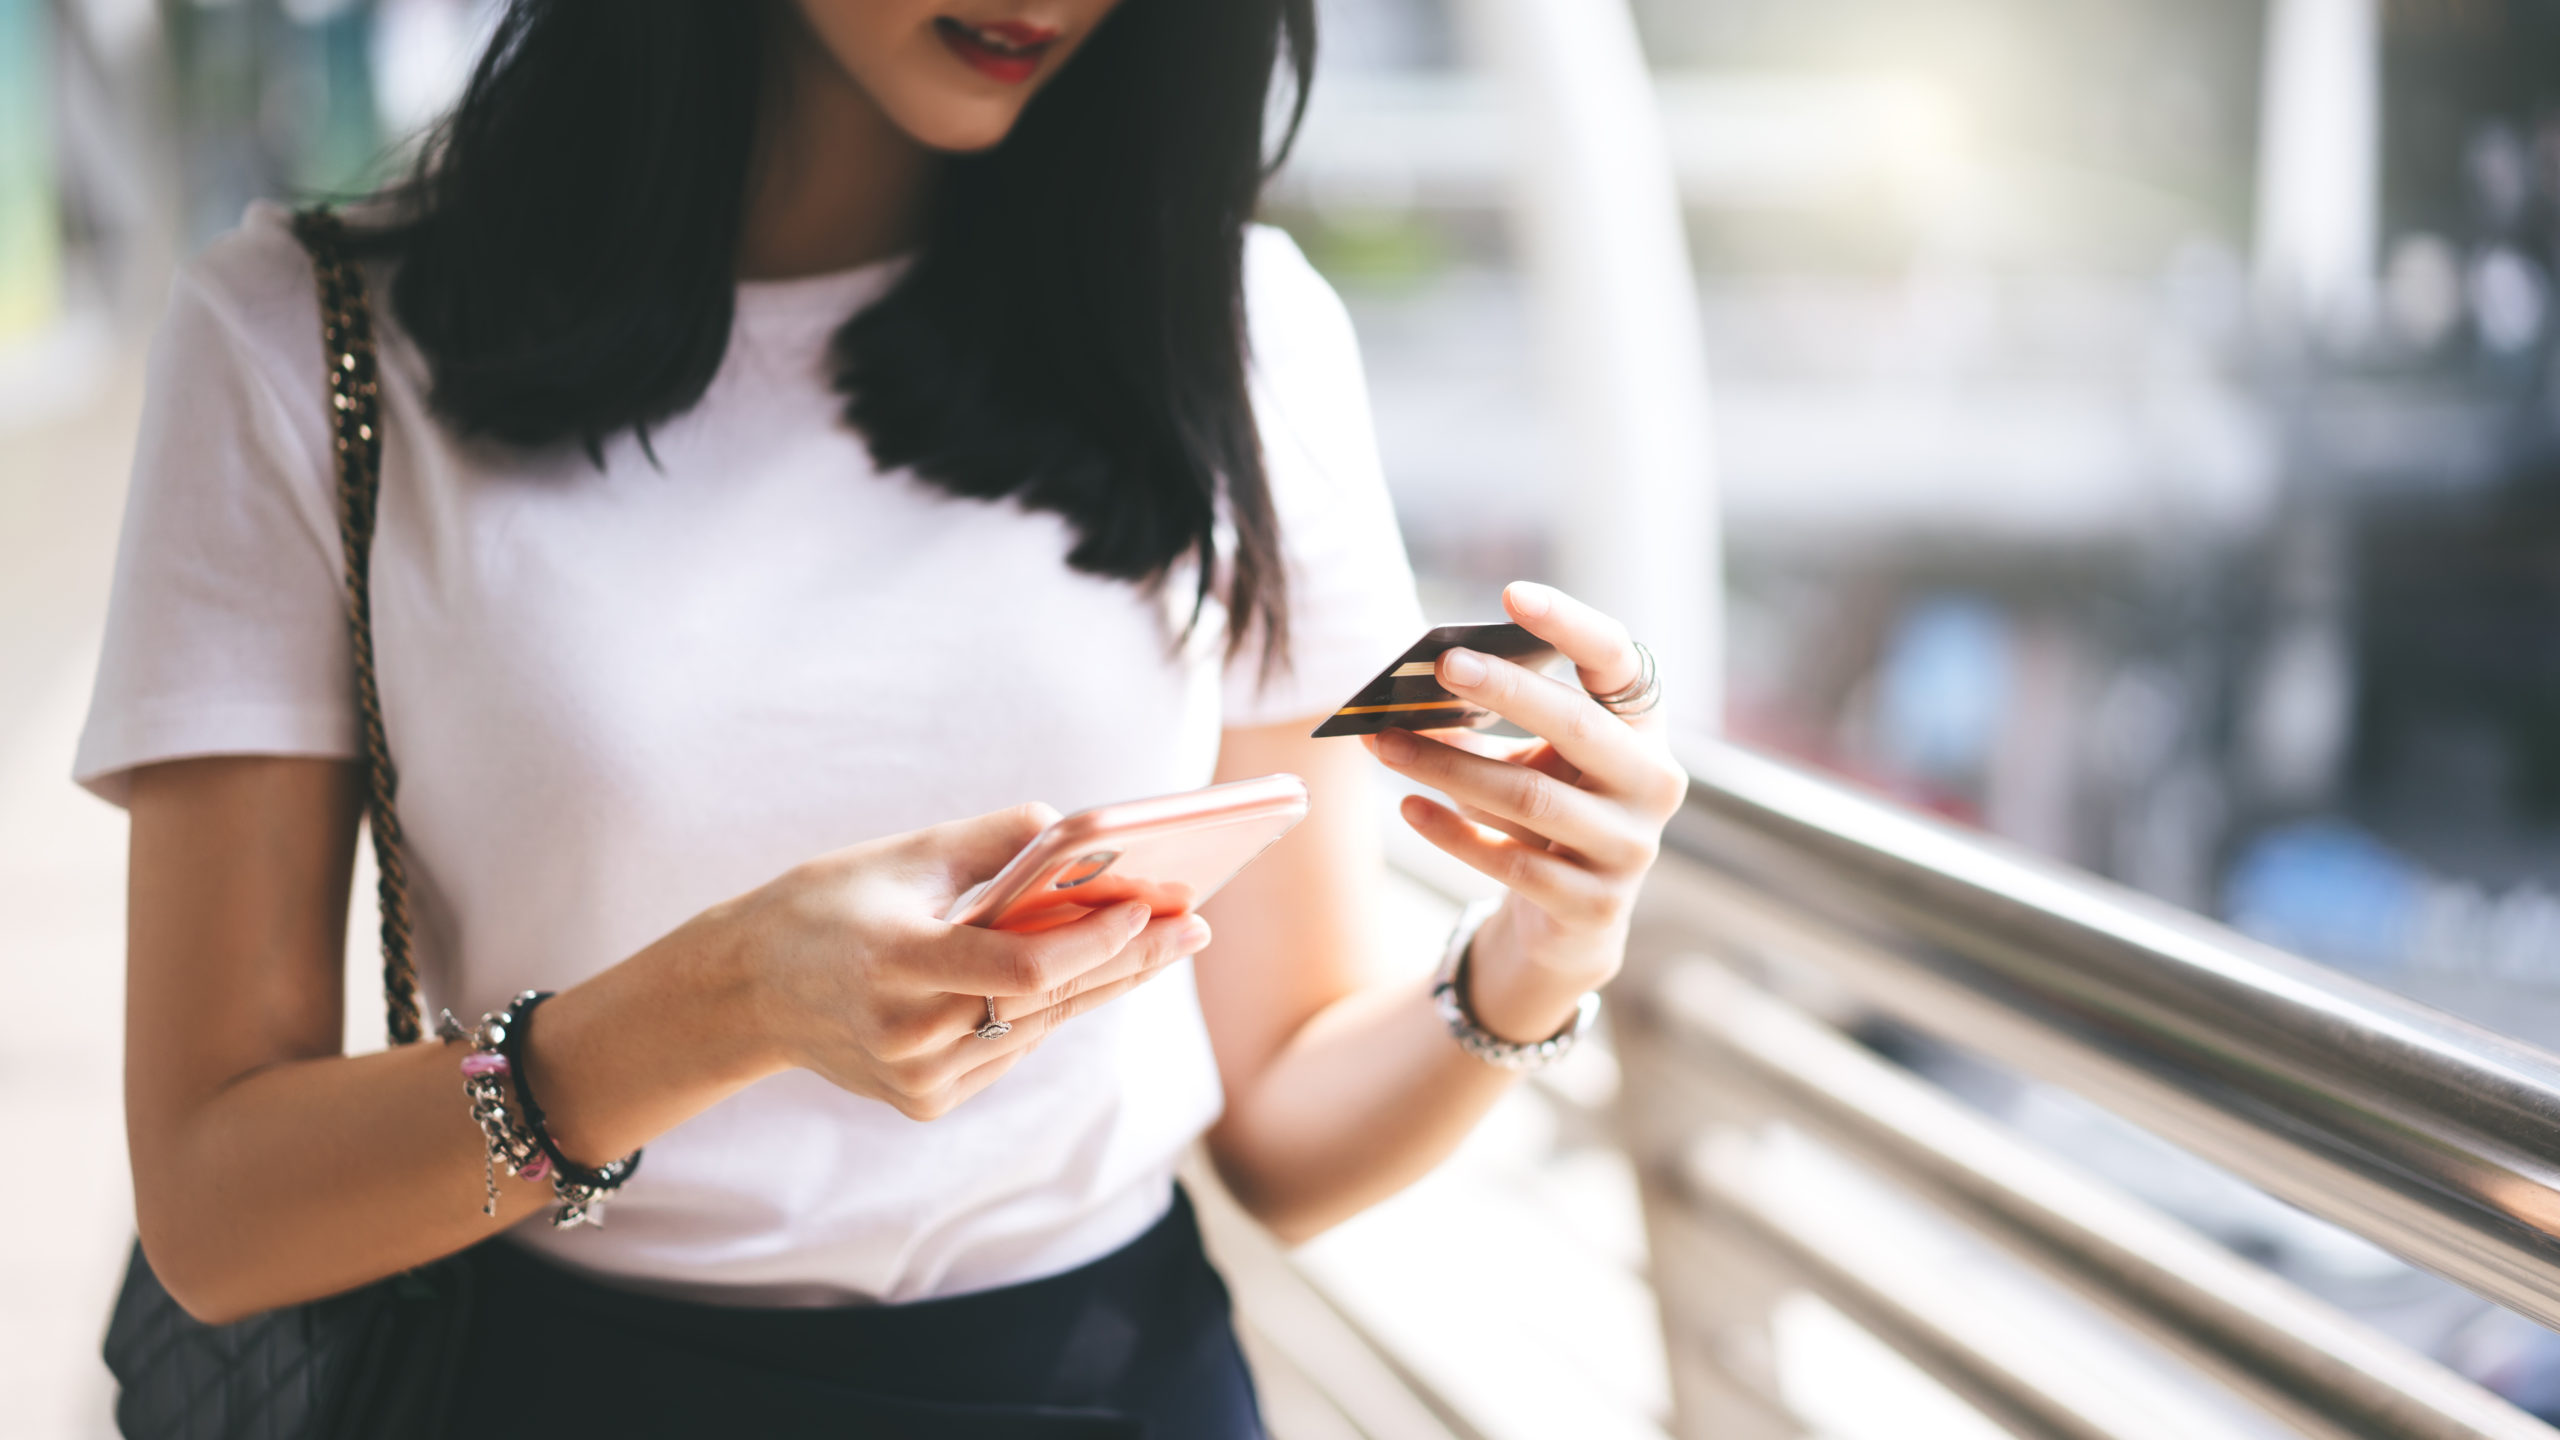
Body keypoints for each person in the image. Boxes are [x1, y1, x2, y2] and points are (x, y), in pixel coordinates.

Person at [77, 0, 1688, 1433]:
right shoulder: (305, 339)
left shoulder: (1240, 331)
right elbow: (221, 1216)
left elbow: (1284, 1132)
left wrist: (1545, 952)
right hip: (553, 1386)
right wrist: (721, 1003)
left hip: (1113, 1385)